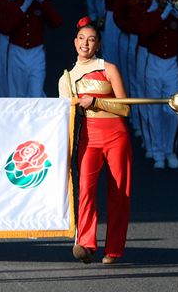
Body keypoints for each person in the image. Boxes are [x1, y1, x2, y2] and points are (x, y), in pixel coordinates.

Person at [62, 17, 131, 265]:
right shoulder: (67, 78)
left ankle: (113, 249)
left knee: (119, 192)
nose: (86, 44)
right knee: (86, 190)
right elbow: (65, 115)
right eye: (82, 39)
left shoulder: (109, 68)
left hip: (116, 135)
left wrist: (97, 102)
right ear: (75, 42)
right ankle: (86, 242)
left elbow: (125, 109)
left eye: (91, 40)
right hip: (89, 136)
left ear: (98, 44)